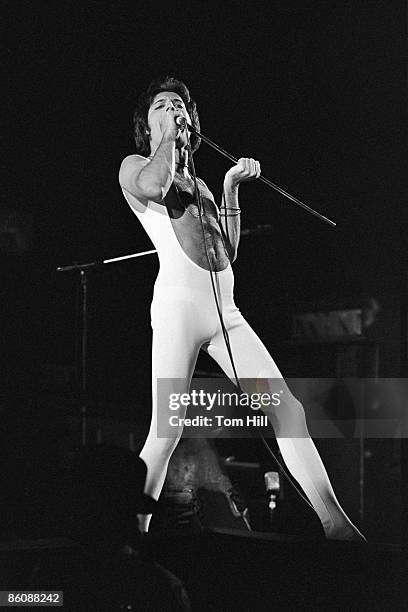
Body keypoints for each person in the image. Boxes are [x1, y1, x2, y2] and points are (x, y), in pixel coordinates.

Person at [119, 76, 366, 542]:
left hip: (225, 312)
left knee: (287, 410)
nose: (175, 110)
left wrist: (231, 188)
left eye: (181, 105)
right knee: (165, 430)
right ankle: (134, 534)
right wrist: (169, 140)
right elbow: (154, 182)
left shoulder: (202, 185)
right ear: (147, 126)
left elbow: (226, 251)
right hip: (178, 308)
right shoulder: (136, 165)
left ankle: (336, 525)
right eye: (163, 106)